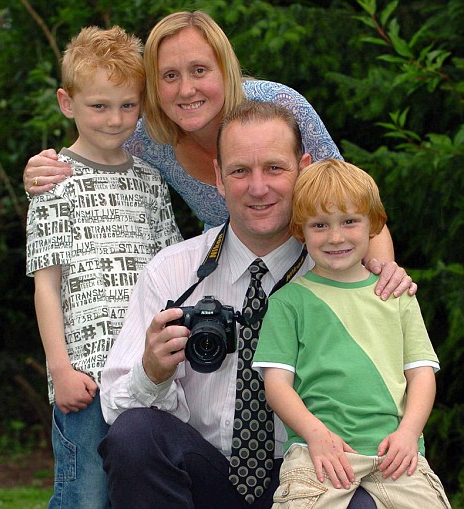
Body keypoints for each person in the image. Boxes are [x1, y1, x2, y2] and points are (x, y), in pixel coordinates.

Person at [98, 101, 415, 509]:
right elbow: (113, 407)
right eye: (240, 171)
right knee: (135, 434)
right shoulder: (174, 272)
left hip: (312, 477)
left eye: (274, 168)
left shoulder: (346, 276)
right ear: (218, 177)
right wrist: (152, 371)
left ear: (302, 168)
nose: (258, 187)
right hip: (204, 475)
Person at [23, 9, 395, 267]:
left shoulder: (280, 107)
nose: (186, 90)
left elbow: (353, 207)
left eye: (199, 70)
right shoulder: (149, 138)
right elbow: (94, 147)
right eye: (169, 76)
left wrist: (378, 282)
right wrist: (42, 171)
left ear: (225, 68)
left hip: (316, 267)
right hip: (234, 275)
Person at [25, 26, 181, 509]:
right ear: (67, 102)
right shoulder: (54, 181)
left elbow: (172, 275)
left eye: (128, 106)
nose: (115, 120)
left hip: (144, 372)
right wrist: (60, 370)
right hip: (85, 378)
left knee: (135, 492)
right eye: (99, 106)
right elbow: (47, 287)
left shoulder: (151, 180)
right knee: (85, 496)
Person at [252, 159, 451, 508]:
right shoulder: (288, 302)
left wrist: (408, 433)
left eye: (349, 221)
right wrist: (316, 435)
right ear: (300, 230)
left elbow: (421, 374)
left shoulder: (397, 296)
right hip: (322, 452)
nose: (336, 237)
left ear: (373, 224)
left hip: (396, 451)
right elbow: (277, 385)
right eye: (319, 225)